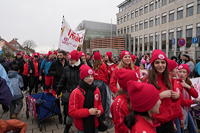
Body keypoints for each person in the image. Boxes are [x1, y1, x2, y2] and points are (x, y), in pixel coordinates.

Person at [148, 49, 181, 133]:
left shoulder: (168, 79)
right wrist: (160, 96)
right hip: (155, 123)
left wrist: (176, 96)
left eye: (163, 62)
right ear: (152, 64)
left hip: (168, 121)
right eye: (157, 62)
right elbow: (143, 104)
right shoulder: (147, 80)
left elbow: (171, 102)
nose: (160, 65)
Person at [68, 64, 103, 133]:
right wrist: (88, 112)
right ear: (82, 78)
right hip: (82, 126)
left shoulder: (96, 89)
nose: (90, 78)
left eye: (92, 76)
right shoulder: (76, 92)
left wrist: (100, 111)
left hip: (95, 123)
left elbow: (99, 103)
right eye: (87, 76)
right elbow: (72, 112)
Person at [57, 50, 82, 133]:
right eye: (69, 60)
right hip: (69, 94)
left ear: (76, 59)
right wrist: (58, 91)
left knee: (80, 113)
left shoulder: (83, 68)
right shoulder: (66, 69)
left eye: (72, 60)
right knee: (69, 113)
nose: (70, 61)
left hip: (81, 95)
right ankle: (67, 128)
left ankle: (81, 127)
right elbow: (62, 80)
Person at [111, 68, 138, 133]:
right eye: (136, 81)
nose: (138, 83)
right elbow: (120, 125)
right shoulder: (120, 102)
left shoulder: (133, 95)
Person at [177, 64, 199, 133]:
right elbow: (181, 102)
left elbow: (195, 95)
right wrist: (194, 102)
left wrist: (188, 86)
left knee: (193, 130)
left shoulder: (188, 82)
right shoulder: (176, 83)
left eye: (184, 72)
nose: (182, 74)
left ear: (187, 74)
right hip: (179, 111)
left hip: (186, 110)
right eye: (180, 71)